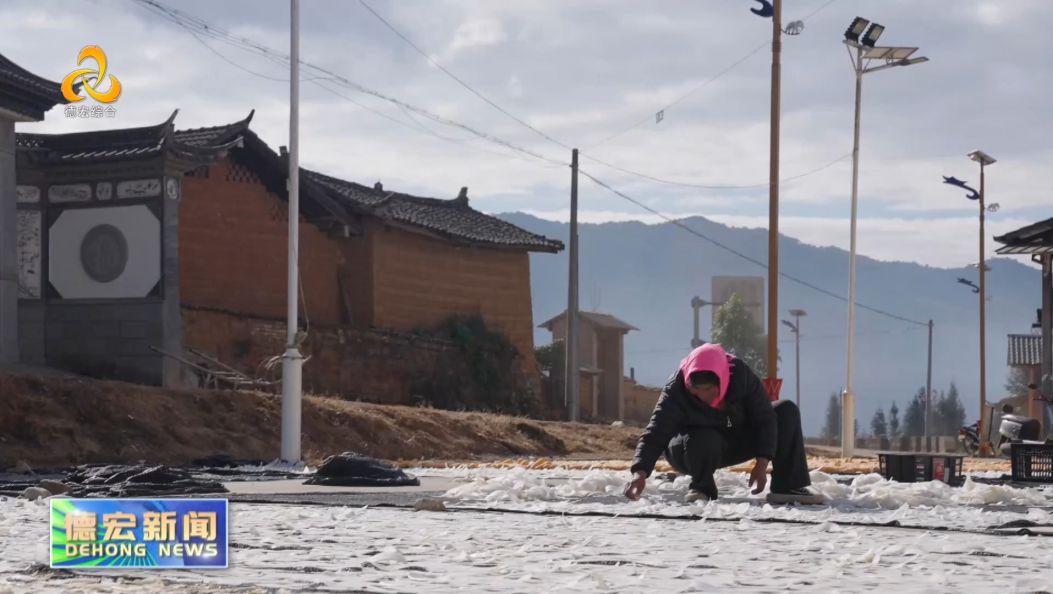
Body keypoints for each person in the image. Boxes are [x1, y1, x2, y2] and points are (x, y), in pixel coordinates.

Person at [623, 343, 824, 504]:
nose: (703, 397)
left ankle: (788, 487)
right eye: (696, 392)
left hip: (732, 439)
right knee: (702, 435)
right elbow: (656, 432)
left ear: (722, 379)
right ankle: (702, 488)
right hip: (689, 449)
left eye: (708, 389)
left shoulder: (741, 376)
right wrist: (639, 473)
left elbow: (765, 419)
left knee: (785, 410)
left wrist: (762, 462)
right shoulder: (676, 389)